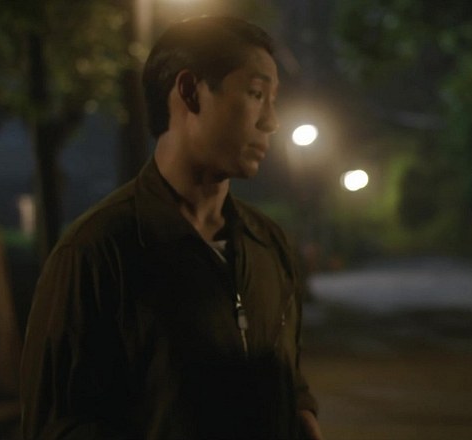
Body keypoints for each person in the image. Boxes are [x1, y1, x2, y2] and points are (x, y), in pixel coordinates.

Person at [20, 16, 323, 439]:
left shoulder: (267, 244)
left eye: (273, 100)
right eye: (256, 94)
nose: (271, 121)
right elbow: (56, 423)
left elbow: (289, 382)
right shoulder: (98, 253)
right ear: (189, 91)